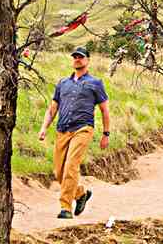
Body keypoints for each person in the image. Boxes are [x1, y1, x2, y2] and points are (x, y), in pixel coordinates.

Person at [37, 46, 111, 219]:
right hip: (63, 129)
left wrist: (106, 134)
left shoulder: (95, 83)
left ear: (87, 60)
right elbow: (53, 108)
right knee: (58, 171)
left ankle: (65, 208)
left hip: (83, 129)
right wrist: (44, 128)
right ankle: (80, 194)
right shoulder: (63, 83)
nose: (77, 59)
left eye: (81, 57)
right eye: (75, 57)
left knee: (71, 166)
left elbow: (104, 110)